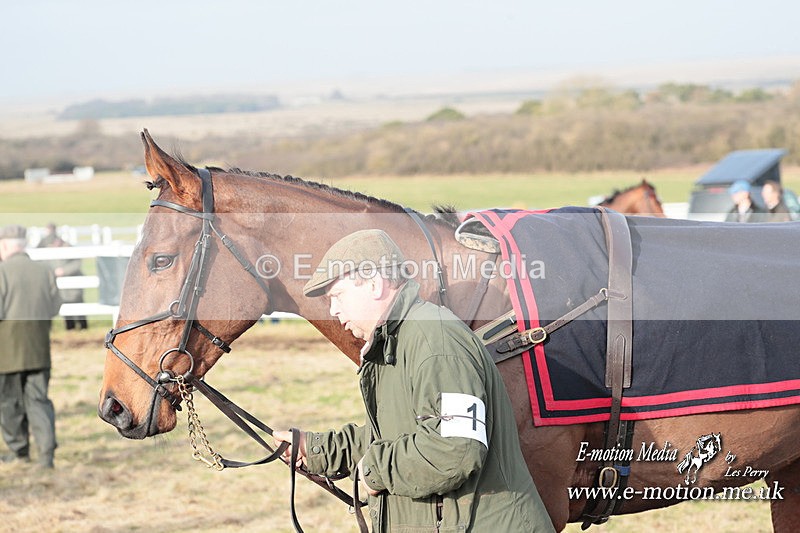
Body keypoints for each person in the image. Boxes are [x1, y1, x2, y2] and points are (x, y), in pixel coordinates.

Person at [274, 229, 554, 532]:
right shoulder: (399, 340)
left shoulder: (435, 341)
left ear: (374, 284)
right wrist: (318, 449)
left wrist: (373, 471)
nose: (333, 310)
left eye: (338, 296)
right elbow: (397, 433)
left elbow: (456, 449)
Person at [0, 225, 62, 468]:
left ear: (4, 246)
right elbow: (55, 307)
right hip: (39, 350)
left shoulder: (2, 272)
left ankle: (19, 452)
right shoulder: (44, 271)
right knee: (39, 401)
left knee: (9, 403)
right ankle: (46, 456)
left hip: (6, 353)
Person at [45, 237, 88, 330]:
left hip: (73, 284)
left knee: (77, 302)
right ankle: (70, 326)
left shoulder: (69, 249)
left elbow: (76, 264)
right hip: (61, 286)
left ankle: (83, 325)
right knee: (64, 303)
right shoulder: (49, 251)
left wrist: (64, 271)